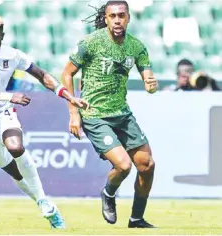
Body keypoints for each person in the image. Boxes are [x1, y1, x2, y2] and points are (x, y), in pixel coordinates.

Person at [0, 14, 88, 229]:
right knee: (16, 173)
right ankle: (42, 202)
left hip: (1, 111)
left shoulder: (13, 55)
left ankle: (45, 203)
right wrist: (8, 95)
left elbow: (42, 75)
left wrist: (69, 96)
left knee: (15, 146)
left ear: (2, 36)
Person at [61, 0, 158, 228]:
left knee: (147, 165)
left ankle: (136, 219)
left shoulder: (136, 47)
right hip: (95, 114)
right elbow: (67, 74)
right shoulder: (90, 43)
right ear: (105, 19)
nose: (117, 20)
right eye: (112, 16)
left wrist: (151, 84)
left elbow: (149, 82)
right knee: (124, 166)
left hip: (122, 114)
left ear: (128, 18)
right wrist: (74, 113)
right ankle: (108, 193)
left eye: (121, 16)